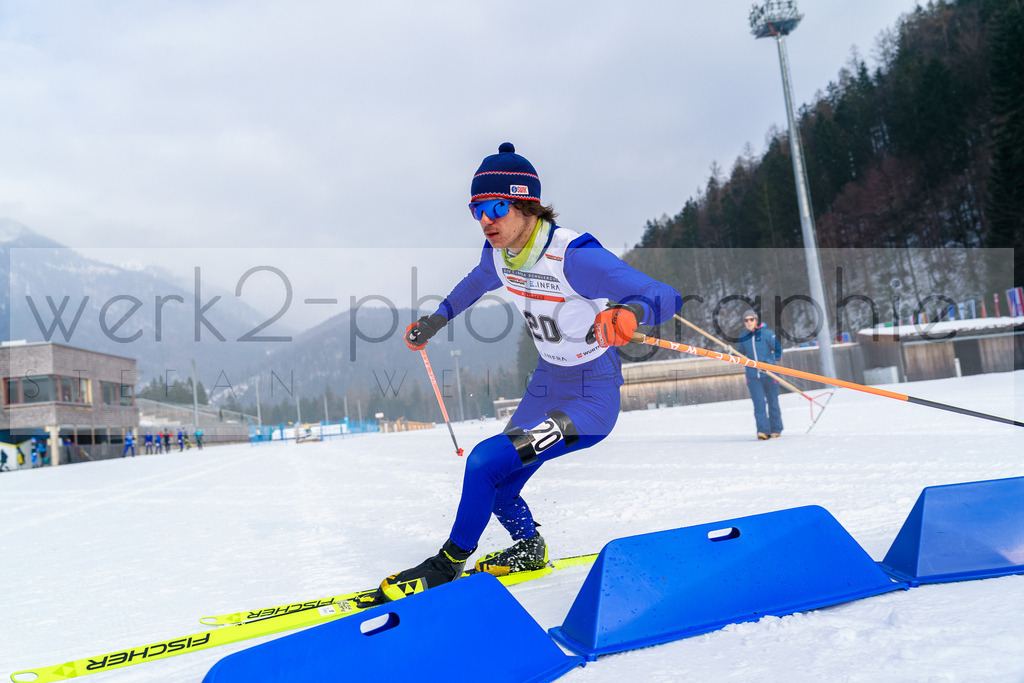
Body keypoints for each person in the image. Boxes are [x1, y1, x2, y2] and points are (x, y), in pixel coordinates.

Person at [369, 142, 682, 603]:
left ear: (527, 205)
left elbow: (664, 294)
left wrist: (630, 311)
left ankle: (448, 563)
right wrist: (436, 321)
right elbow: (476, 282)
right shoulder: (499, 253)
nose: (485, 220)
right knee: (499, 482)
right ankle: (530, 547)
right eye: (476, 209)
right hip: (547, 382)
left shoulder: (574, 257)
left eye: (495, 206)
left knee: (483, 462)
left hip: (590, 397)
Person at [735, 309, 784, 440]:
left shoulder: (767, 334)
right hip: (753, 376)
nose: (749, 322)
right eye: (746, 320)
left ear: (756, 320)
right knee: (759, 404)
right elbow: (740, 354)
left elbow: (778, 352)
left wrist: (767, 363)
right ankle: (763, 431)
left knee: (773, 402)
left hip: (770, 374)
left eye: (751, 319)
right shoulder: (743, 337)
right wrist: (731, 353)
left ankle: (776, 429)